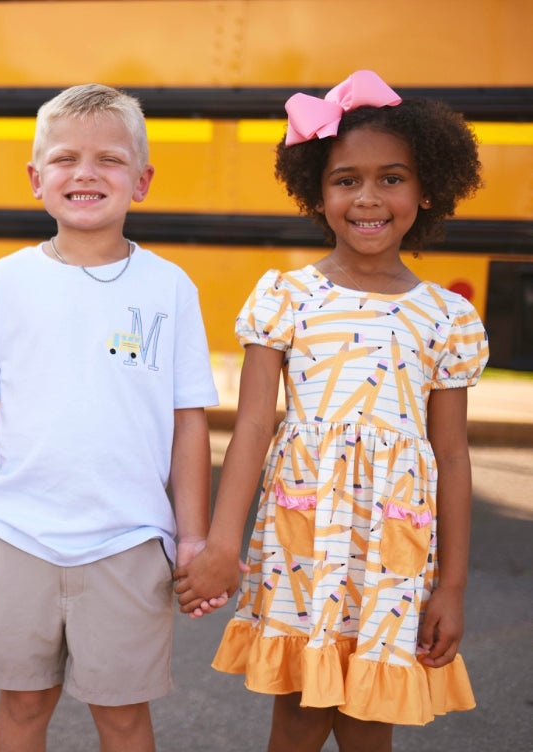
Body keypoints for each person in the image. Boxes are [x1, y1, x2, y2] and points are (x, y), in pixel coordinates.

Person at [174, 70, 487, 750]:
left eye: (391, 178)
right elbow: (253, 426)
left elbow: (454, 455)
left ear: (426, 187)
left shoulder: (447, 318)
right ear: (316, 191)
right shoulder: (286, 297)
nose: (368, 198)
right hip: (302, 540)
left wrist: (452, 587)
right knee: (299, 713)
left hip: (395, 550)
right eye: (346, 180)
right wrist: (224, 546)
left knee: (371, 716)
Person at [0, 83, 219, 752]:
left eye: (111, 160)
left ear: (143, 180)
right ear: (36, 179)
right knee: (24, 705)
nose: (86, 174)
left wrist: (194, 539)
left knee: (122, 716)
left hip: (127, 541)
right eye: (65, 158)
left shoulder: (170, 287)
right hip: (19, 533)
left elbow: (188, 422)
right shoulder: (6, 281)